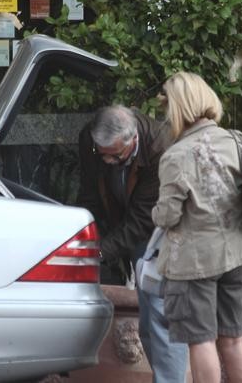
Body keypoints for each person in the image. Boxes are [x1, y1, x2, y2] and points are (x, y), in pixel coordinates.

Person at [152, 72, 242, 383]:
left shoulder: (176, 155)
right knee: (234, 339)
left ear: (178, 108)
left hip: (194, 262)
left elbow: (168, 216)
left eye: (167, 107)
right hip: (239, 253)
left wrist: (156, 213)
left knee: (201, 341)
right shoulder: (235, 140)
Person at [77, 104, 189, 382]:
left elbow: (143, 220)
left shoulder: (160, 147)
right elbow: (90, 190)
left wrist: (101, 250)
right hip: (122, 223)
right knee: (149, 325)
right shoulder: (89, 140)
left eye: (115, 155)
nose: (107, 162)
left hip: (159, 234)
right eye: (102, 155)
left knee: (160, 317)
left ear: (133, 140)